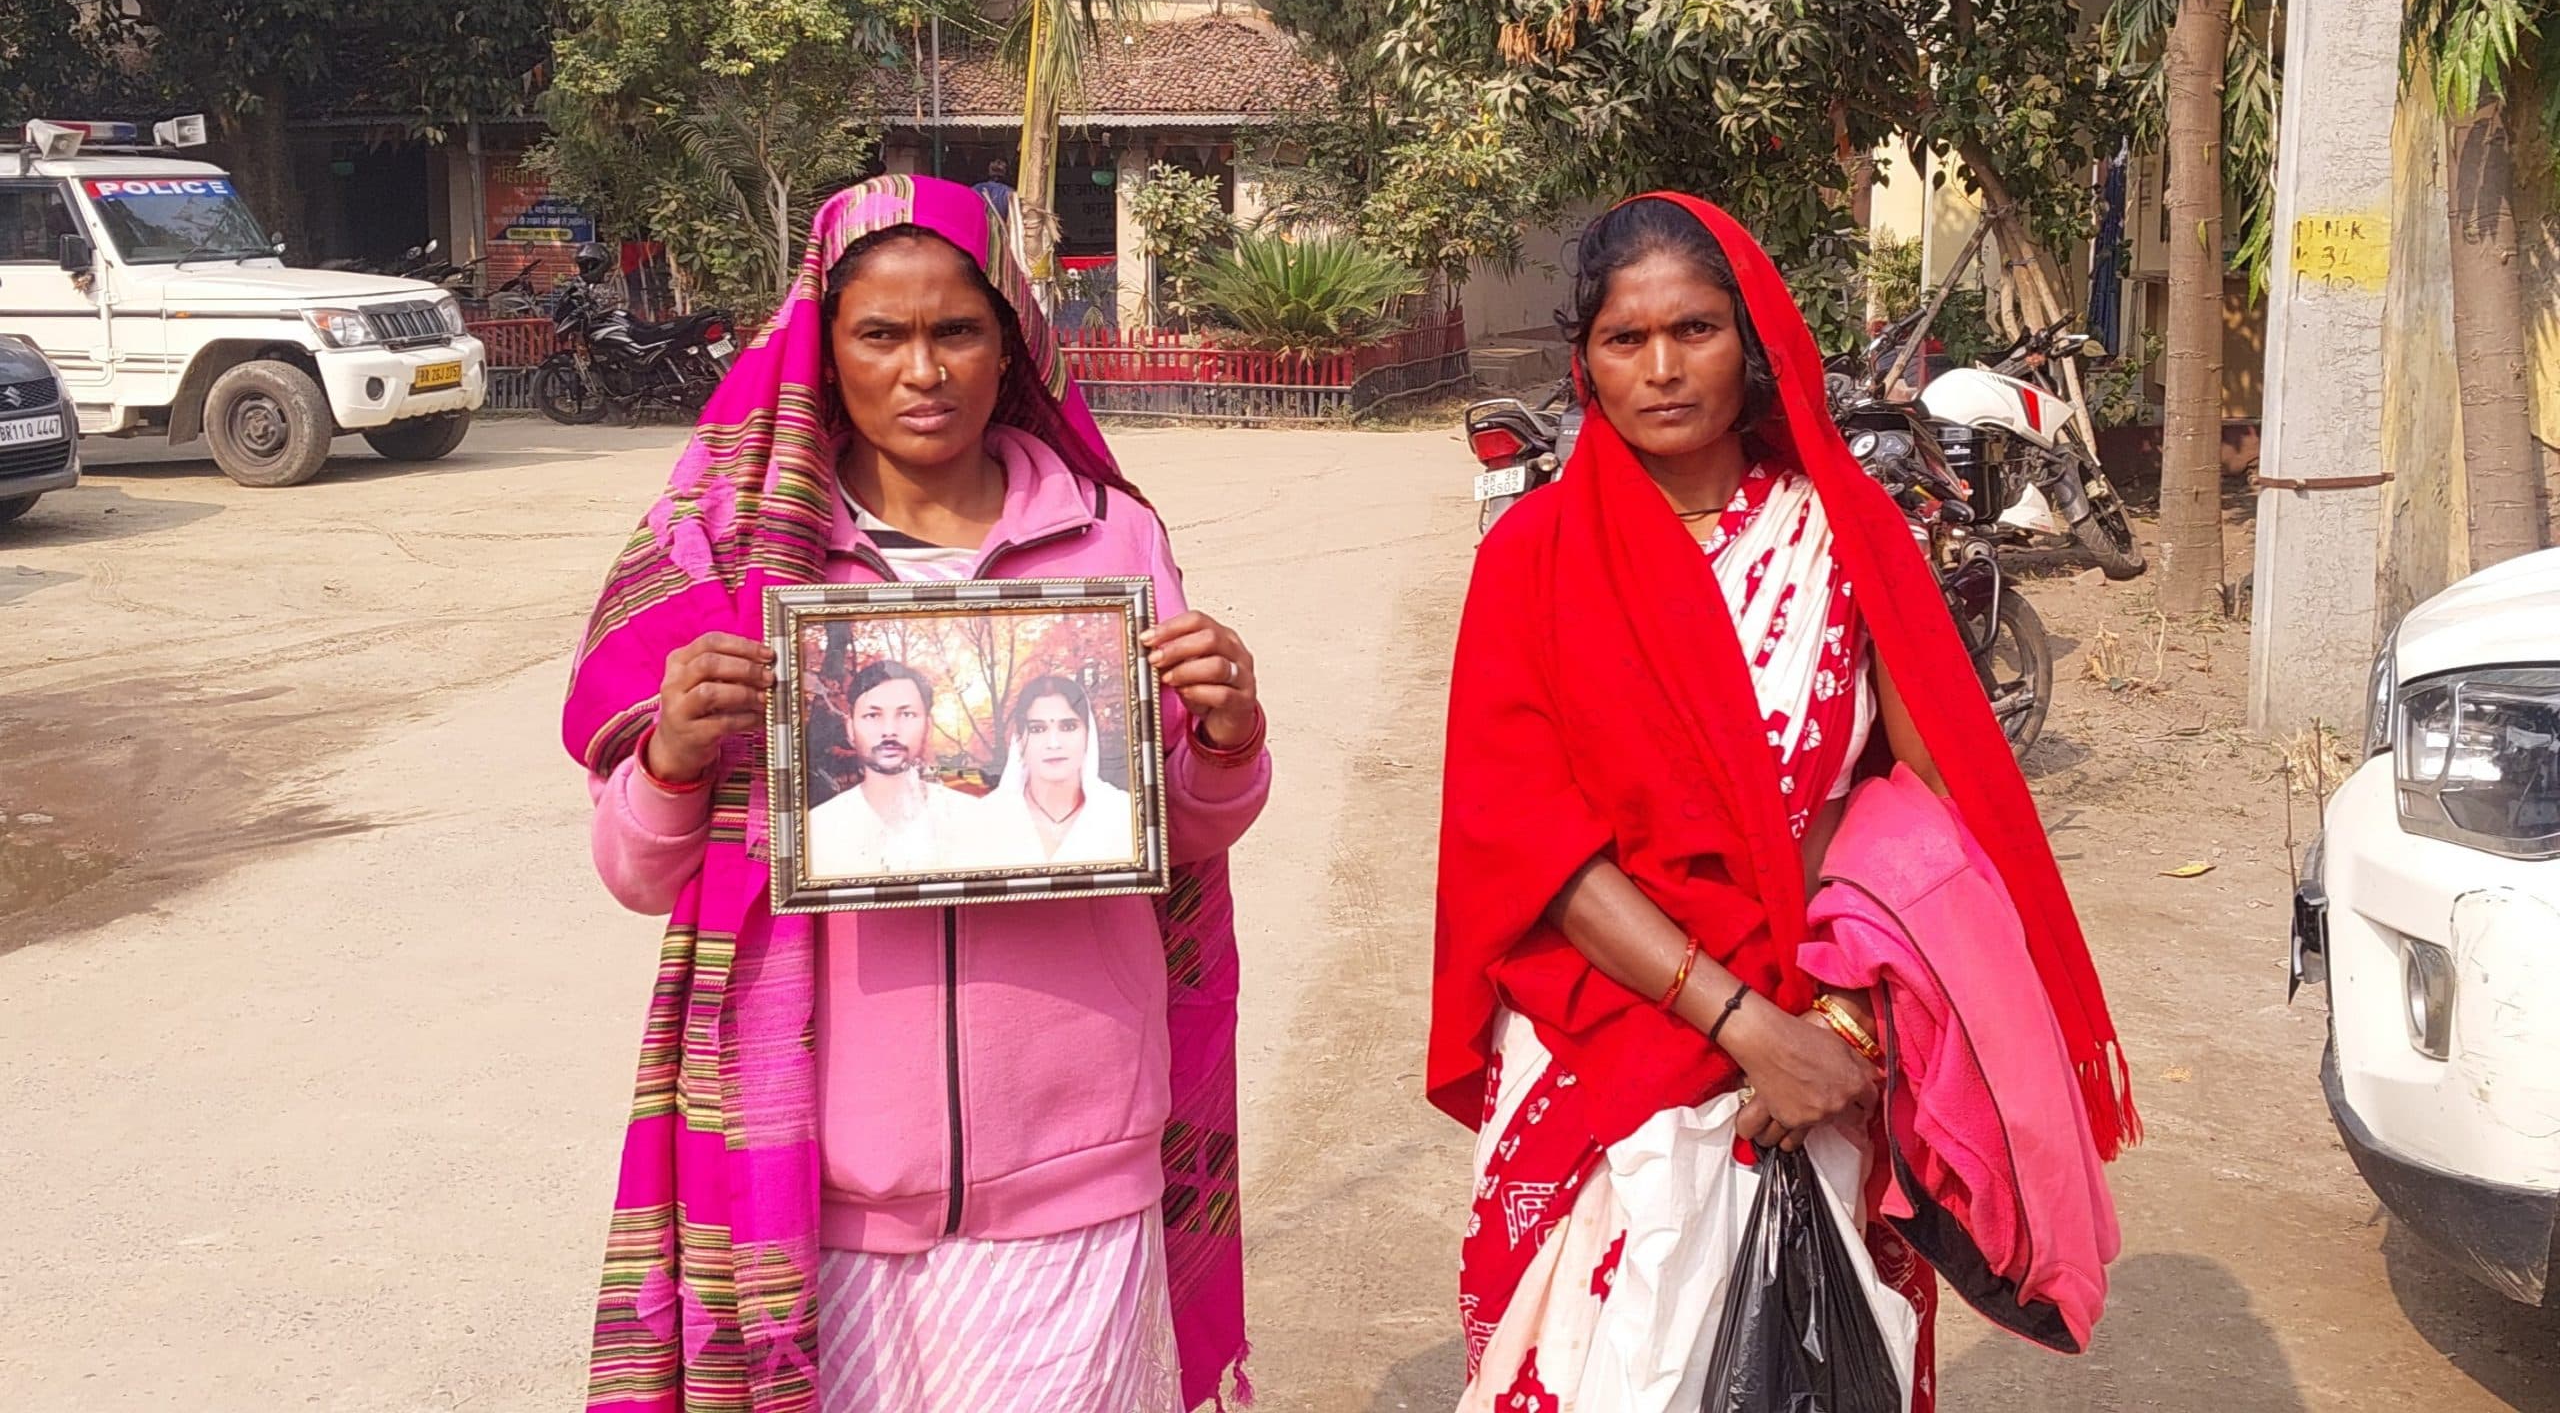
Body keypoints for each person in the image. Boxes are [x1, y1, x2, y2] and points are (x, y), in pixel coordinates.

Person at [566, 175, 1272, 1413]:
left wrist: (1226, 734)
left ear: (1012, 343)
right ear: (823, 352)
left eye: (956, 330)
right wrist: (671, 758)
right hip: (821, 1193)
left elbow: (1175, 829)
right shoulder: (745, 565)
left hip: (1078, 1171)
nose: (922, 369)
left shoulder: (1111, 540)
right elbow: (635, 873)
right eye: (879, 334)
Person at [1430, 193, 2133, 1412]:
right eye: (1623, 339)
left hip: (1829, 1030)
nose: (1659, 368)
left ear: (1749, 341)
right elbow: (1535, 844)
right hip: (1612, 1030)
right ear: (1582, 359)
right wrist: (1747, 1027)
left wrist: (1850, 1031)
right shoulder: (1532, 556)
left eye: (1694, 329)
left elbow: (1925, 815)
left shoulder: (1843, 541)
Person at [805, 660, 974, 878]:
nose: (889, 730)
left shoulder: (970, 820)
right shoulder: (819, 829)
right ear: (850, 729)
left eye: (906, 715)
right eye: (873, 716)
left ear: (928, 727)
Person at [970, 673, 1138, 869]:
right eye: (1037, 729)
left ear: (1088, 734)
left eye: (1068, 726)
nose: (1053, 743)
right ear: (1019, 739)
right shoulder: (984, 819)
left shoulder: (1122, 813)